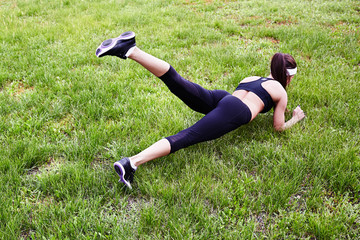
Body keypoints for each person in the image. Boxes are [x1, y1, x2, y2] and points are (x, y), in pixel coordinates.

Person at [95, 31, 305, 189]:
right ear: (290, 77)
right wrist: (295, 118)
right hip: (235, 110)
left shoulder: (251, 78)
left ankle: (130, 49)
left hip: (223, 98)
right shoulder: (280, 90)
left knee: (175, 80)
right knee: (187, 136)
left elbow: (238, 101)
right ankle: (131, 163)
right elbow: (278, 127)